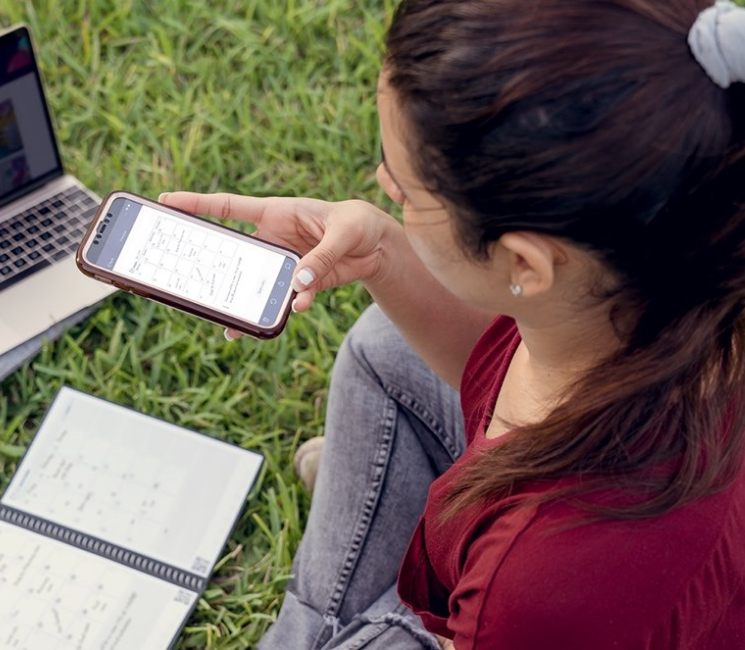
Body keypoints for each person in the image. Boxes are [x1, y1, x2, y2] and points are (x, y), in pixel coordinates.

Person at [161, 0, 745, 647]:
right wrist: (382, 251)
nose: (381, 184)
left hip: (516, 616)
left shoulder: (542, 582)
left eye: (405, 191)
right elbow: (497, 354)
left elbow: (533, 598)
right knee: (383, 345)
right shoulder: (695, 250)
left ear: (526, 262)